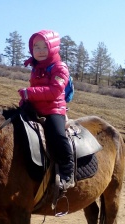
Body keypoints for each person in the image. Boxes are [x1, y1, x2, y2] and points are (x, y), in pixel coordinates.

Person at [18, 29, 75, 191]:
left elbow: (55, 91)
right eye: (37, 47)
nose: (41, 51)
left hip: (53, 109)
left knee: (57, 134)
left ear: (53, 47)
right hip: (36, 107)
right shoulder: (37, 67)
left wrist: (29, 93)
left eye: (45, 47)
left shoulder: (60, 67)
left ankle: (67, 170)